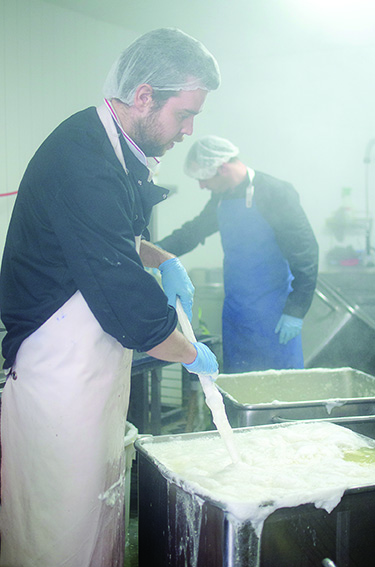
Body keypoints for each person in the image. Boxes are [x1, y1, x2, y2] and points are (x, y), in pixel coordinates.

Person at [0, 29, 220, 567]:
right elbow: (124, 303)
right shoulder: (84, 158)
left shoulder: (112, 147)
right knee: (58, 530)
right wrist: (190, 352)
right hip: (56, 376)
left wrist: (162, 257)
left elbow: (114, 236)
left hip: (92, 374)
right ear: (144, 96)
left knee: (99, 515)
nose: (190, 130)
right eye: (184, 114)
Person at [157, 135, 319, 374]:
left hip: (274, 315)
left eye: (203, 179)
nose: (201, 186)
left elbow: (305, 254)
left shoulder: (276, 193)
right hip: (237, 314)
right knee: (239, 388)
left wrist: (296, 310)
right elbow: (193, 231)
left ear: (222, 168)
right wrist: (154, 253)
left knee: (279, 389)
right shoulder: (222, 197)